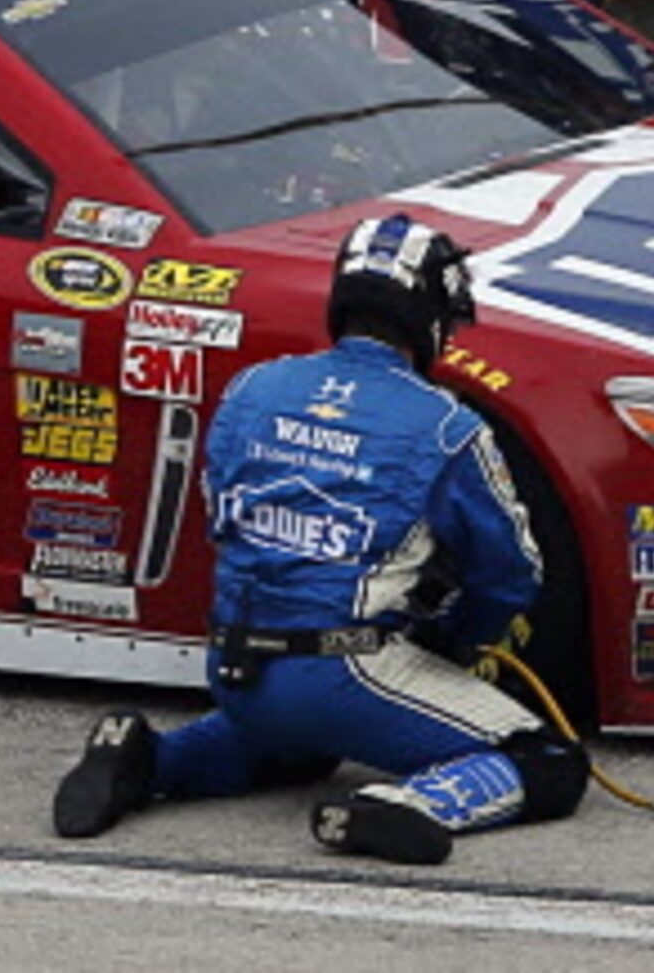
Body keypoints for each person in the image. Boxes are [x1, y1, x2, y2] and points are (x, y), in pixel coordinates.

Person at [49, 215, 588, 865]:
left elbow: (221, 515)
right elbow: (512, 572)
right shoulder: (447, 425)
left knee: (297, 748)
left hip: (235, 665)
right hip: (341, 671)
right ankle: (406, 806)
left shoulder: (254, 386)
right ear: (430, 315)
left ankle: (146, 758)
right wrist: (458, 641)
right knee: (550, 760)